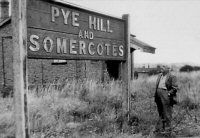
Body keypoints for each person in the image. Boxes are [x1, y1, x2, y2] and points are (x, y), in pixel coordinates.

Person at [154, 66, 178, 134]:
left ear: (168, 69)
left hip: (165, 94)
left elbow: (175, 87)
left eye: (164, 67)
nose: (162, 68)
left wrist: (169, 93)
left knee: (167, 112)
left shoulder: (172, 76)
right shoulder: (160, 75)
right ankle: (162, 128)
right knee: (160, 111)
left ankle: (168, 130)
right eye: (161, 66)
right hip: (158, 94)